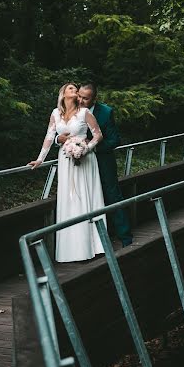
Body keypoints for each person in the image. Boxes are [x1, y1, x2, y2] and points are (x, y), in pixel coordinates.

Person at [28, 82, 107, 262]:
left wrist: (86, 148)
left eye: (76, 90)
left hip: (84, 160)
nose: (75, 92)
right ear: (63, 93)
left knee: (84, 198)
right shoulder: (56, 113)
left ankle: (91, 247)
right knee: (69, 201)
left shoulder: (85, 112)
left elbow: (98, 135)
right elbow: (50, 137)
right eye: (71, 89)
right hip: (65, 160)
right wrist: (41, 159)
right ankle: (70, 250)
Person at [57, 81, 133, 247]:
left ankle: (126, 238)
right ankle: (86, 244)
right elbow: (57, 132)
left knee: (112, 197)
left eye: (86, 98)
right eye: (80, 96)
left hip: (102, 161)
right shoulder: (69, 109)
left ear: (94, 99)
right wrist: (60, 140)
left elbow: (114, 140)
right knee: (82, 201)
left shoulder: (105, 112)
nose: (81, 100)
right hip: (80, 166)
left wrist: (89, 147)